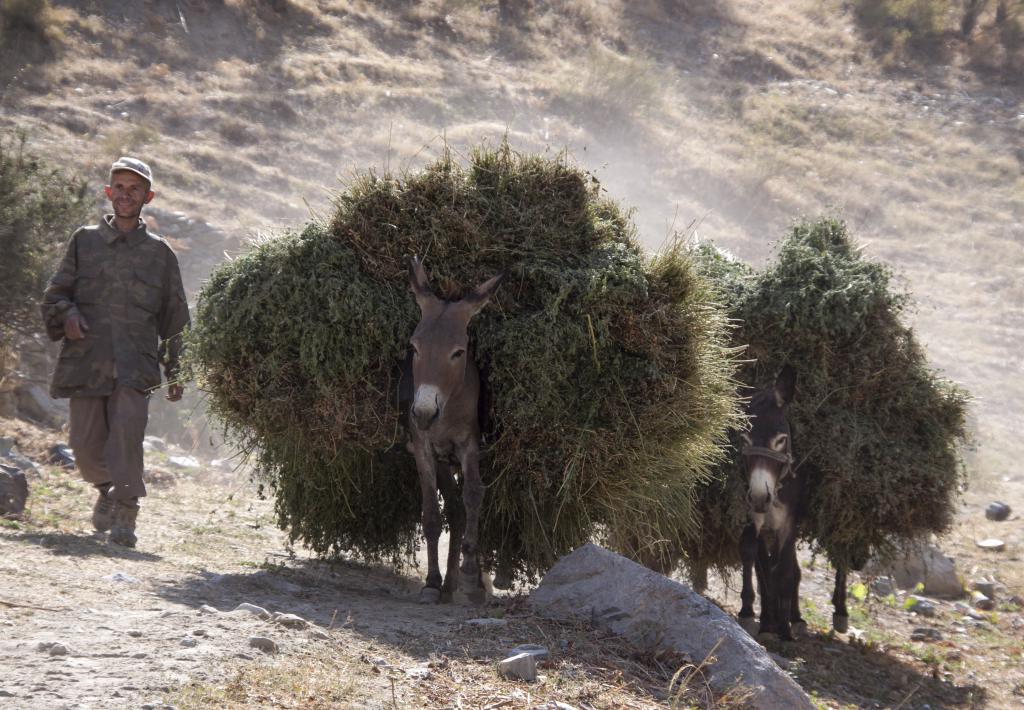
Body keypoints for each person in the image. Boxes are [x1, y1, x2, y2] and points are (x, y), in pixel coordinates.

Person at [41, 157, 190, 548]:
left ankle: (126, 511)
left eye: (134, 189)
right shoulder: (84, 241)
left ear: (148, 197)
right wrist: (68, 313)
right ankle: (106, 487)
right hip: (86, 360)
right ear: (108, 193)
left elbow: (176, 317)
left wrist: (176, 370)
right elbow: (55, 294)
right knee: (85, 447)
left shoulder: (160, 255)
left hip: (134, 364)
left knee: (126, 435)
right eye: (119, 188)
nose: (125, 195)